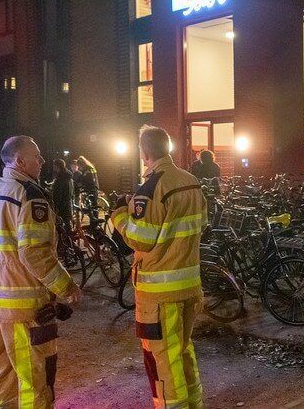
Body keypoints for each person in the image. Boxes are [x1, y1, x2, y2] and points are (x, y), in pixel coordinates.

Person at [0, 136, 81, 409]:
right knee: (34, 379)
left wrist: (1, 254)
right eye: (36, 156)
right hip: (25, 309)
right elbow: (35, 253)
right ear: (19, 161)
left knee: (0, 372)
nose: (42, 161)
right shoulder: (29, 195)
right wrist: (67, 288)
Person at [111, 125, 206, 408]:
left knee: (162, 359)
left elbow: (141, 239)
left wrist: (119, 215)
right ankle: (194, 403)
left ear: (144, 153)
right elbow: (200, 225)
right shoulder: (191, 181)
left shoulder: (151, 188)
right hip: (189, 285)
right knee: (182, 350)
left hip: (159, 295)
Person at [51, 159, 74, 231]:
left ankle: (67, 241)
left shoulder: (60, 179)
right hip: (68, 205)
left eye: (54, 165)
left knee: (61, 228)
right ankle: (70, 240)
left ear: (57, 166)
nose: (53, 167)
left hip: (62, 207)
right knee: (67, 225)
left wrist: (55, 208)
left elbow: (58, 195)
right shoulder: (69, 178)